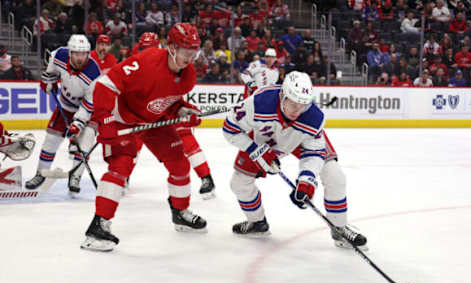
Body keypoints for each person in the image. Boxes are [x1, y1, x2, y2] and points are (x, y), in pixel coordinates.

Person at [80, 23, 207, 252]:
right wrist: (104, 117)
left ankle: (180, 213)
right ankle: (98, 226)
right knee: (121, 165)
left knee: (180, 163)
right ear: (170, 47)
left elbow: (168, 101)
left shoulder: (188, 75)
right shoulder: (145, 61)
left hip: (153, 121)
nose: (190, 57)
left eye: (193, 52)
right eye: (186, 51)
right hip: (123, 118)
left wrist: (183, 110)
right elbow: (105, 85)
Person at [222, 71, 367, 248]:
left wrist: (307, 180)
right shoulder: (259, 102)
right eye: (293, 104)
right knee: (238, 183)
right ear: (283, 95)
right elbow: (230, 128)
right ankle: (257, 223)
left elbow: (314, 152)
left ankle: (340, 228)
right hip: (264, 141)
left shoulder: (313, 117)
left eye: (302, 105)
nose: (297, 111)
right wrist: (255, 150)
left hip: (298, 138)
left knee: (335, 175)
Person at [131, 31, 216, 199]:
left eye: (150, 48)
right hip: (144, 110)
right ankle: (123, 176)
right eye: (143, 48)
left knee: (186, 138)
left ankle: (206, 178)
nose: (146, 52)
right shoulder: (136, 60)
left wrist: (185, 109)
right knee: (133, 140)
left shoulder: (168, 58)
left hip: (169, 105)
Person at [25, 34, 101, 194]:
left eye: (84, 54)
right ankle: (41, 173)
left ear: (88, 53)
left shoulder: (94, 73)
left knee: (85, 141)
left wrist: (77, 124)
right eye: (77, 54)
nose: (80, 58)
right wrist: (48, 82)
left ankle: (75, 176)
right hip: (65, 106)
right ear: (70, 53)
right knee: (50, 141)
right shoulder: (59, 55)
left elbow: (89, 105)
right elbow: (51, 73)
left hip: (88, 111)